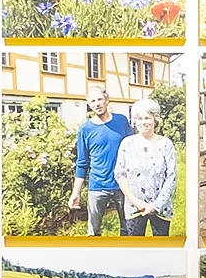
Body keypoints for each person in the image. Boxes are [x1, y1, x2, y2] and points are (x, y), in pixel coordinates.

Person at [67, 86, 133, 236]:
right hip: (97, 187)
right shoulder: (85, 130)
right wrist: (75, 193)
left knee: (128, 229)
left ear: (107, 100)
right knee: (93, 233)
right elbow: (82, 163)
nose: (97, 104)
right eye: (93, 101)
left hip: (122, 185)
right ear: (89, 105)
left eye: (99, 99)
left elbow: (133, 150)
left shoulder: (121, 121)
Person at [113, 100, 179, 237]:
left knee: (161, 251)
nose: (143, 122)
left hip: (161, 208)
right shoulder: (127, 143)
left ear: (155, 119)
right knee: (136, 251)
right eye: (139, 118)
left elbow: (171, 177)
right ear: (135, 121)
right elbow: (120, 173)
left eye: (147, 118)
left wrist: (155, 206)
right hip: (134, 207)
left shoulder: (166, 144)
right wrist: (135, 201)